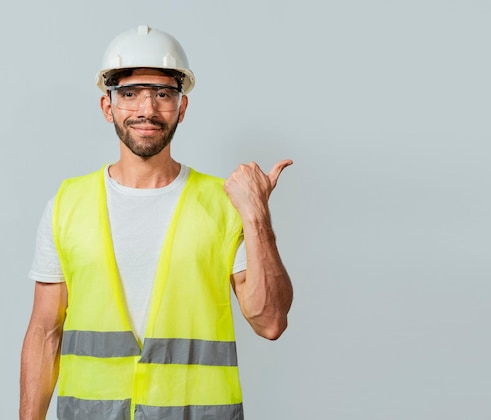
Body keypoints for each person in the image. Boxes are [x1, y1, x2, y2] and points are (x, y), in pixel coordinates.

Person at [19, 25, 293, 420]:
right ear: (106, 107)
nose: (146, 109)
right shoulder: (67, 205)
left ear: (181, 108)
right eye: (129, 94)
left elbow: (270, 322)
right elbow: (44, 333)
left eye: (162, 94)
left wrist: (257, 215)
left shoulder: (224, 204)